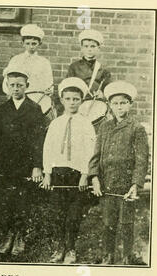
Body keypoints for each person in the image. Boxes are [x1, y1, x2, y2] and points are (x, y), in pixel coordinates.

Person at [0, 65, 45, 257]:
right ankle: (8, 235)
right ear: (7, 87)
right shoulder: (1, 110)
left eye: (20, 85)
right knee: (6, 200)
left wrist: (37, 166)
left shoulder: (35, 109)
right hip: (5, 164)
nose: (16, 89)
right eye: (12, 85)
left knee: (23, 201)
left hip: (25, 165)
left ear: (27, 85)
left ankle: (20, 236)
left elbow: (39, 140)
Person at [89, 81, 149, 265]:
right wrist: (94, 177)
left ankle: (127, 255)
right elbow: (96, 155)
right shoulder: (104, 127)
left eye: (123, 103)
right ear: (110, 105)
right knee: (108, 221)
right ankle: (108, 255)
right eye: (115, 103)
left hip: (126, 184)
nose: (119, 106)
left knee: (126, 222)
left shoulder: (136, 128)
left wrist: (135, 185)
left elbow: (141, 159)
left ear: (130, 105)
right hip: (107, 182)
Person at [41, 77, 96, 264]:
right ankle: (59, 248)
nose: (72, 103)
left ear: (81, 101)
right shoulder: (56, 123)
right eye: (68, 99)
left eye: (76, 99)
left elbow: (90, 152)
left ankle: (71, 249)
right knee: (58, 214)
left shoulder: (86, 124)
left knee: (73, 215)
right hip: (58, 173)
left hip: (76, 175)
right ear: (62, 100)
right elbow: (48, 148)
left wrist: (84, 175)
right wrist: (47, 173)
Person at [2, 24, 54, 120]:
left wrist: (49, 90)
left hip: (39, 98)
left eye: (34, 43)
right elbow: (7, 82)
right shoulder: (16, 60)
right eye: (28, 43)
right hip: (20, 97)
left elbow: (49, 82)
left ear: (39, 44)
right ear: (22, 43)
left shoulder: (44, 62)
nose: (31, 47)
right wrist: (10, 93)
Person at [67, 29, 111, 100]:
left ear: (98, 48)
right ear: (81, 48)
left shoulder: (104, 69)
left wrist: (102, 94)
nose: (89, 49)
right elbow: (68, 88)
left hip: (96, 103)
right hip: (78, 103)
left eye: (93, 46)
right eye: (86, 46)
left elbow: (108, 90)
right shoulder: (74, 67)